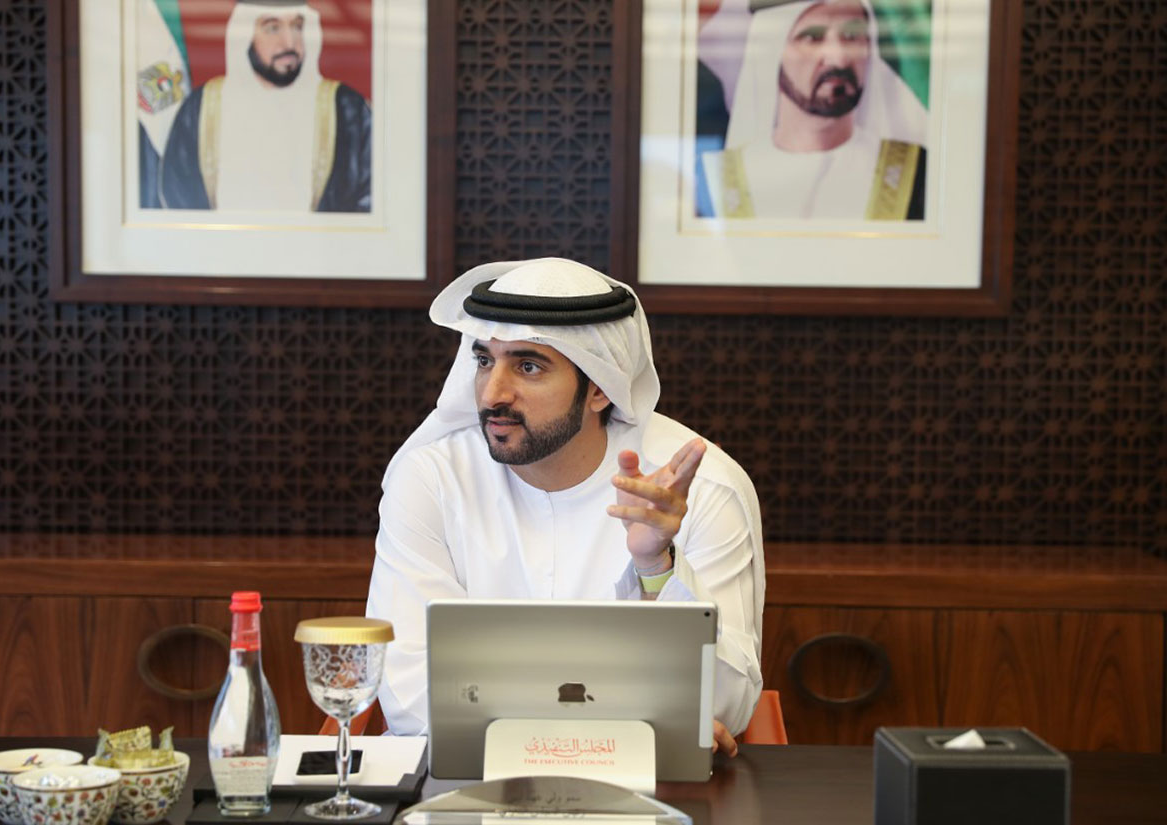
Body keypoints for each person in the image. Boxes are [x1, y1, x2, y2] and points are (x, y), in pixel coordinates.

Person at [365, 258, 765, 756]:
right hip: (467, 781)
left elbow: (724, 707)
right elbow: (409, 693)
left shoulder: (698, 486)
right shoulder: (431, 479)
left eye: (528, 366)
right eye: (485, 360)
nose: (493, 393)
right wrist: (609, 728)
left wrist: (655, 567)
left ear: (600, 388)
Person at [701, 0, 928, 220]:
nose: (838, 58)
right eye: (813, 38)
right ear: (773, 54)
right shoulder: (712, 180)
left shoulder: (917, 174)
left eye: (852, 36)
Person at [159, 0, 372, 212]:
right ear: (245, 36)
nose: (289, 43)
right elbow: (180, 202)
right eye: (272, 28)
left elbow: (370, 202)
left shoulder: (347, 110)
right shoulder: (203, 109)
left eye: (297, 26)